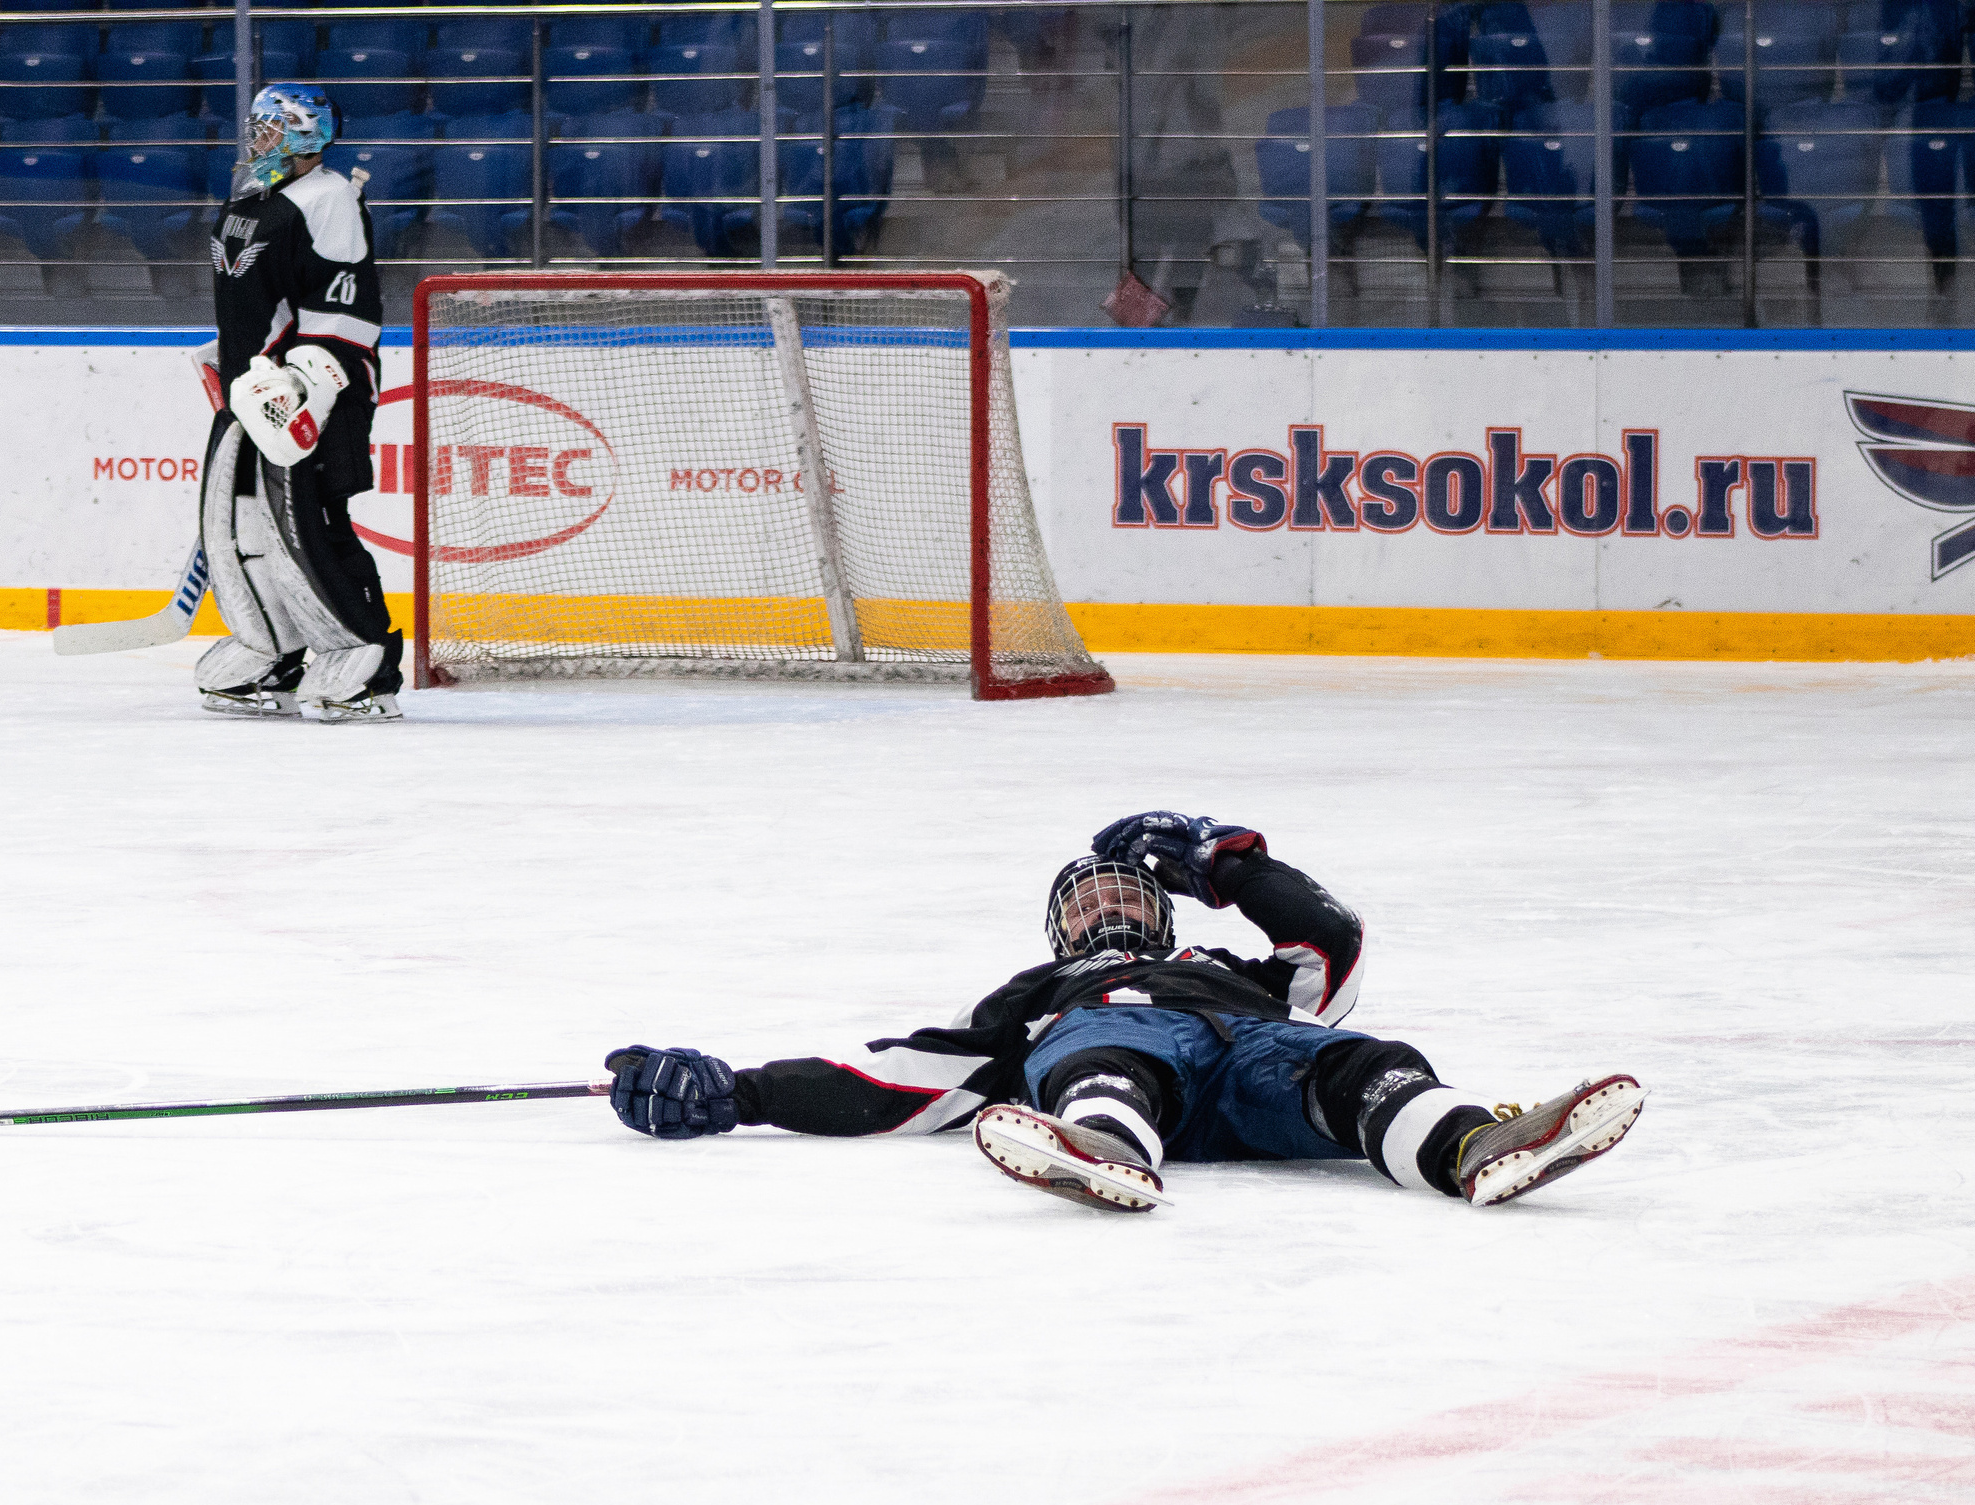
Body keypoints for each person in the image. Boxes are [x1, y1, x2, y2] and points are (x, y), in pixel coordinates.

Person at [602, 811, 1645, 1213]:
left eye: (1129, 892)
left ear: (1163, 908)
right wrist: (739, 1092)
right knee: (1102, 1053)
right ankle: (1104, 1145)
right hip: (1123, 1053)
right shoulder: (1037, 997)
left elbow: (1333, 941)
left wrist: (1227, 862)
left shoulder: (1236, 971)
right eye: (1086, 900)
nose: (1109, 906)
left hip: (1260, 1058)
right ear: (1058, 930)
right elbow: (901, 1081)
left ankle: (1473, 1148)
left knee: (1361, 1063)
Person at [193, 83, 403, 725]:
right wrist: (231, 355)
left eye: (270, 127)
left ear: (305, 136)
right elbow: (256, 296)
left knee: (314, 530)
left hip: (313, 393)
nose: (257, 137)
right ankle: (275, 653)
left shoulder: (330, 198)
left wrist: (310, 380)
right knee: (248, 533)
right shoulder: (252, 197)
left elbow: (347, 310)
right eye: (257, 126)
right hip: (253, 388)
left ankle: (365, 665)